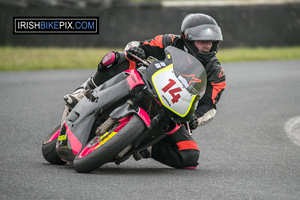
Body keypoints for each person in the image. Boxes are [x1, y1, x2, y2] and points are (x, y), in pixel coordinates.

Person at [64, 13, 226, 169]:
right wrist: (137, 51)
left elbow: (210, 106)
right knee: (116, 58)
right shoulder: (168, 41)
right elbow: (136, 45)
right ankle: (85, 90)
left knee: (189, 154)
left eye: (212, 41)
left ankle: (144, 145)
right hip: (145, 84)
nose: (208, 45)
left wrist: (196, 119)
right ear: (187, 38)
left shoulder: (216, 72)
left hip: (172, 112)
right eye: (203, 40)